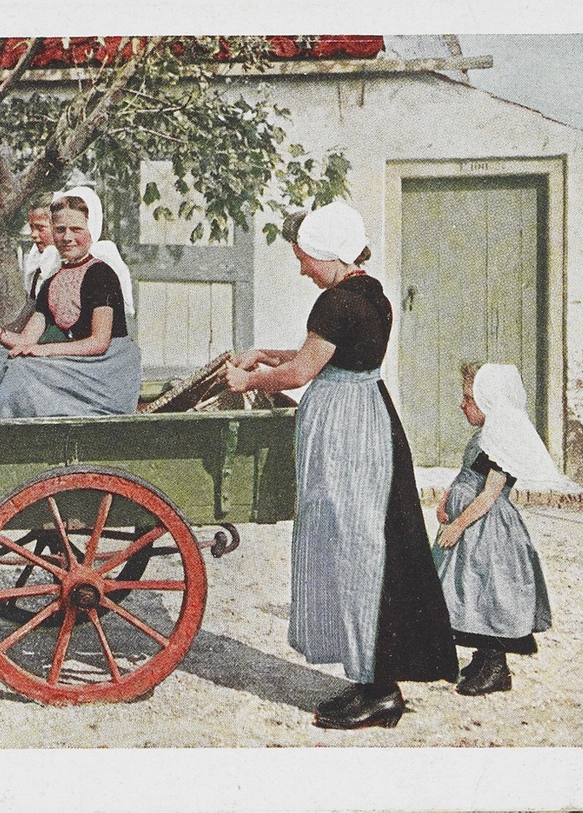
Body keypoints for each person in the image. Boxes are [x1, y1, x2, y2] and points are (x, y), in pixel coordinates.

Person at [223, 200, 458, 730]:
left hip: (348, 434)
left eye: (305, 257)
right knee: (367, 544)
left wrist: (250, 379)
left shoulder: (333, 303)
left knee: (353, 546)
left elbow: (305, 371)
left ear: (328, 254)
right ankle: (372, 677)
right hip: (371, 419)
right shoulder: (369, 293)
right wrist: (267, 354)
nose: (302, 267)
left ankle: (380, 691)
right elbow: (332, 356)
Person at [0, 186, 140, 419]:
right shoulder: (52, 281)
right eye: (60, 229)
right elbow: (25, 341)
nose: (67, 237)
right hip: (74, 363)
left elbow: (98, 342)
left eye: (76, 229)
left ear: (91, 230)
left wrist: (42, 351)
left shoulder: (101, 274)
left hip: (105, 370)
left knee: (20, 370)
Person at [433, 362, 556, 695]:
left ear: (489, 401)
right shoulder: (484, 436)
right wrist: (447, 500)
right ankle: (481, 656)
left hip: (486, 530)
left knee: (488, 593)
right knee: (466, 590)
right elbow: (466, 475)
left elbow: (489, 494)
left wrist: (458, 524)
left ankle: (497, 666)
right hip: (469, 528)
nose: (463, 404)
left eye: (469, 398)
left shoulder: (502, 440)